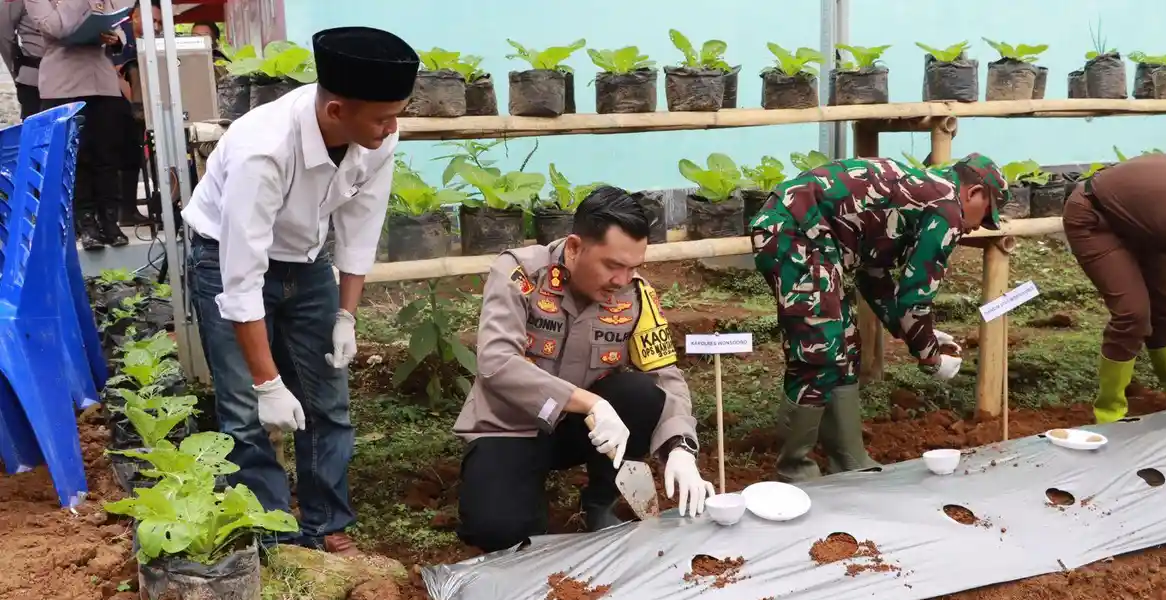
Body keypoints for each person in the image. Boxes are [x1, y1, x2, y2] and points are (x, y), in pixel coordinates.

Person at [180, 26, 417, 555]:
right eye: (382, 117)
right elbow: (240, 279)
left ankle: (326, 522)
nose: (392, 127)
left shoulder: (376, 135)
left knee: (327, 399)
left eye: (396, 112)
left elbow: (360, 225)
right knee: (244, 409)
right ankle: (274, 535)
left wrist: (346, 317)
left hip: (308, 262)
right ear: (336, 111)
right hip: (226, 259)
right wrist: (267, 383)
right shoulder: (262, 149)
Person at [454, 186, 716, 553]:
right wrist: (590, 403)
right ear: (575, 248)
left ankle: (600, 502)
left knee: (641, 394)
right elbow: (497, 363)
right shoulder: (520, 274)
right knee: (498, 531)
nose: (622, 280)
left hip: (584, 434)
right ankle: (517, 496)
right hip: (511, 427)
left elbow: (665, 377)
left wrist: (681, 448)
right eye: (612, 265)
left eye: (633, 267)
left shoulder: (636, 297)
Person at [749, 154, 1010, 482]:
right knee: (819, 349)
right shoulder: (948, 208)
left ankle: (848, 459)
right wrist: (929, 356)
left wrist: (917, 333)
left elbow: (874, 274)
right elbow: (916, 298)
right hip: (794, 231)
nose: (976, 227)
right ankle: (795, 471)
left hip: (818, 241)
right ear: (972, 193)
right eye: (985, 214)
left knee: (845, 345)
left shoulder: (924, 194)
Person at [1062, 153, 1166, 423]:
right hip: (1095, 216)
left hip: (1145, 222)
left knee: (1165, 312)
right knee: (1132, 314)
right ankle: (1109, 414)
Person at [26, 0, 129, 250]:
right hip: (63, 83)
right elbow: (56, 28)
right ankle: (86, 223)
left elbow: (115, 22)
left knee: (107, 155)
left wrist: (116, 38)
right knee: (75, 157)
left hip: (102, 81)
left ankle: (110, 220)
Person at [110, 0, 161, 229]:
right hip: (121, 104)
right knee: (125, 157)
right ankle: (123, 211)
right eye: (154, 20)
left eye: (160, 21)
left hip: (142, 106)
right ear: (137, 17)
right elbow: (119, 74)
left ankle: (129, 211)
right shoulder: (124, 33)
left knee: (134, 157)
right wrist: (136, 106)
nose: (158, 25)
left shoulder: (153, 39)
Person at [0, 0, 45, 120]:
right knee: (36, 133)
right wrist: (17, 71)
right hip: (35, 78)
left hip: (77, 79)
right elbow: (4, 34)